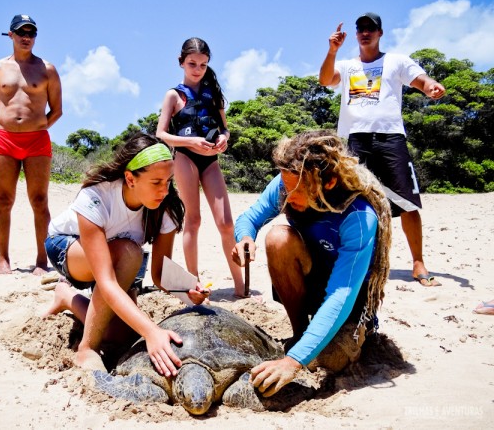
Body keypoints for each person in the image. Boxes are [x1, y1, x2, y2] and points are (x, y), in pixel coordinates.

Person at [232, 130, 391, 397]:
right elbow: (250, 216)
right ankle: (300, 332)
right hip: (312, 278)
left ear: (327, 182)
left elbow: (342, 294)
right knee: (278, 238)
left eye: (296, 193)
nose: (287, 198)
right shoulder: (287, 183)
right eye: (285, 189)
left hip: (351, 297)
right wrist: (245, 238)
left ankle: (343, 335)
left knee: (332, 359)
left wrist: (293, 362)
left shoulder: (359, 215)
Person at [43, 133, 210, 375]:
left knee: (121, 335)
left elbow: (160, 273)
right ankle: (86, 348)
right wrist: (152, 331)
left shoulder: (166, 208)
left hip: (120, 259)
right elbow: (106, 282)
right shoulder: (96, 197)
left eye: (168, 181)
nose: (164, 190)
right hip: (69, 247)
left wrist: (187, 290)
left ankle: (66, 297)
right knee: (131, 253)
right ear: (130, 179)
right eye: (156, 182)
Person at [318, 12, 446, 287]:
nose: (365, 32)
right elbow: (326, 80)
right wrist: (331, 51)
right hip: (354, 140)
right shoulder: (347, 65)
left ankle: (418, 263)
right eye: (361, 28)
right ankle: (353, 261)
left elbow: (420, 80)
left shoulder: (396, 61)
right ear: (356, 34)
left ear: (380, 33)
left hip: (390, 139)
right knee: (350, 201)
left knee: (407, 201)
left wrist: (431, 87)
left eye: (371, 28)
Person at [156, 37, 245, 297]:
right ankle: (194, 283)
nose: (197, 69)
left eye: (203, 65)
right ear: (181, 62)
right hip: (184, 158)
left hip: (210, 161)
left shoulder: (213, 94)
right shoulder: (173, 95)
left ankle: (240, 286)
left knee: (226, 223)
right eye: (192, 63)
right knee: (193, 221)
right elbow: (161, 133)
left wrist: (224, 139)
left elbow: (225, 127)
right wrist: (190, 141)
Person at [0, 14, 63, 275]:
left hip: (37, 141)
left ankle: (42, 261)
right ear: (11, 35)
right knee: (4, 200)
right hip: (5, 140)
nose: (27, 37)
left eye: (31, 33)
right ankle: (3, 260)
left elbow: (57, 110)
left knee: (40, 200)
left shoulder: (47, 69)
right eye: (22, 32)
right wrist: (11, 126)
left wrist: (37, 127)